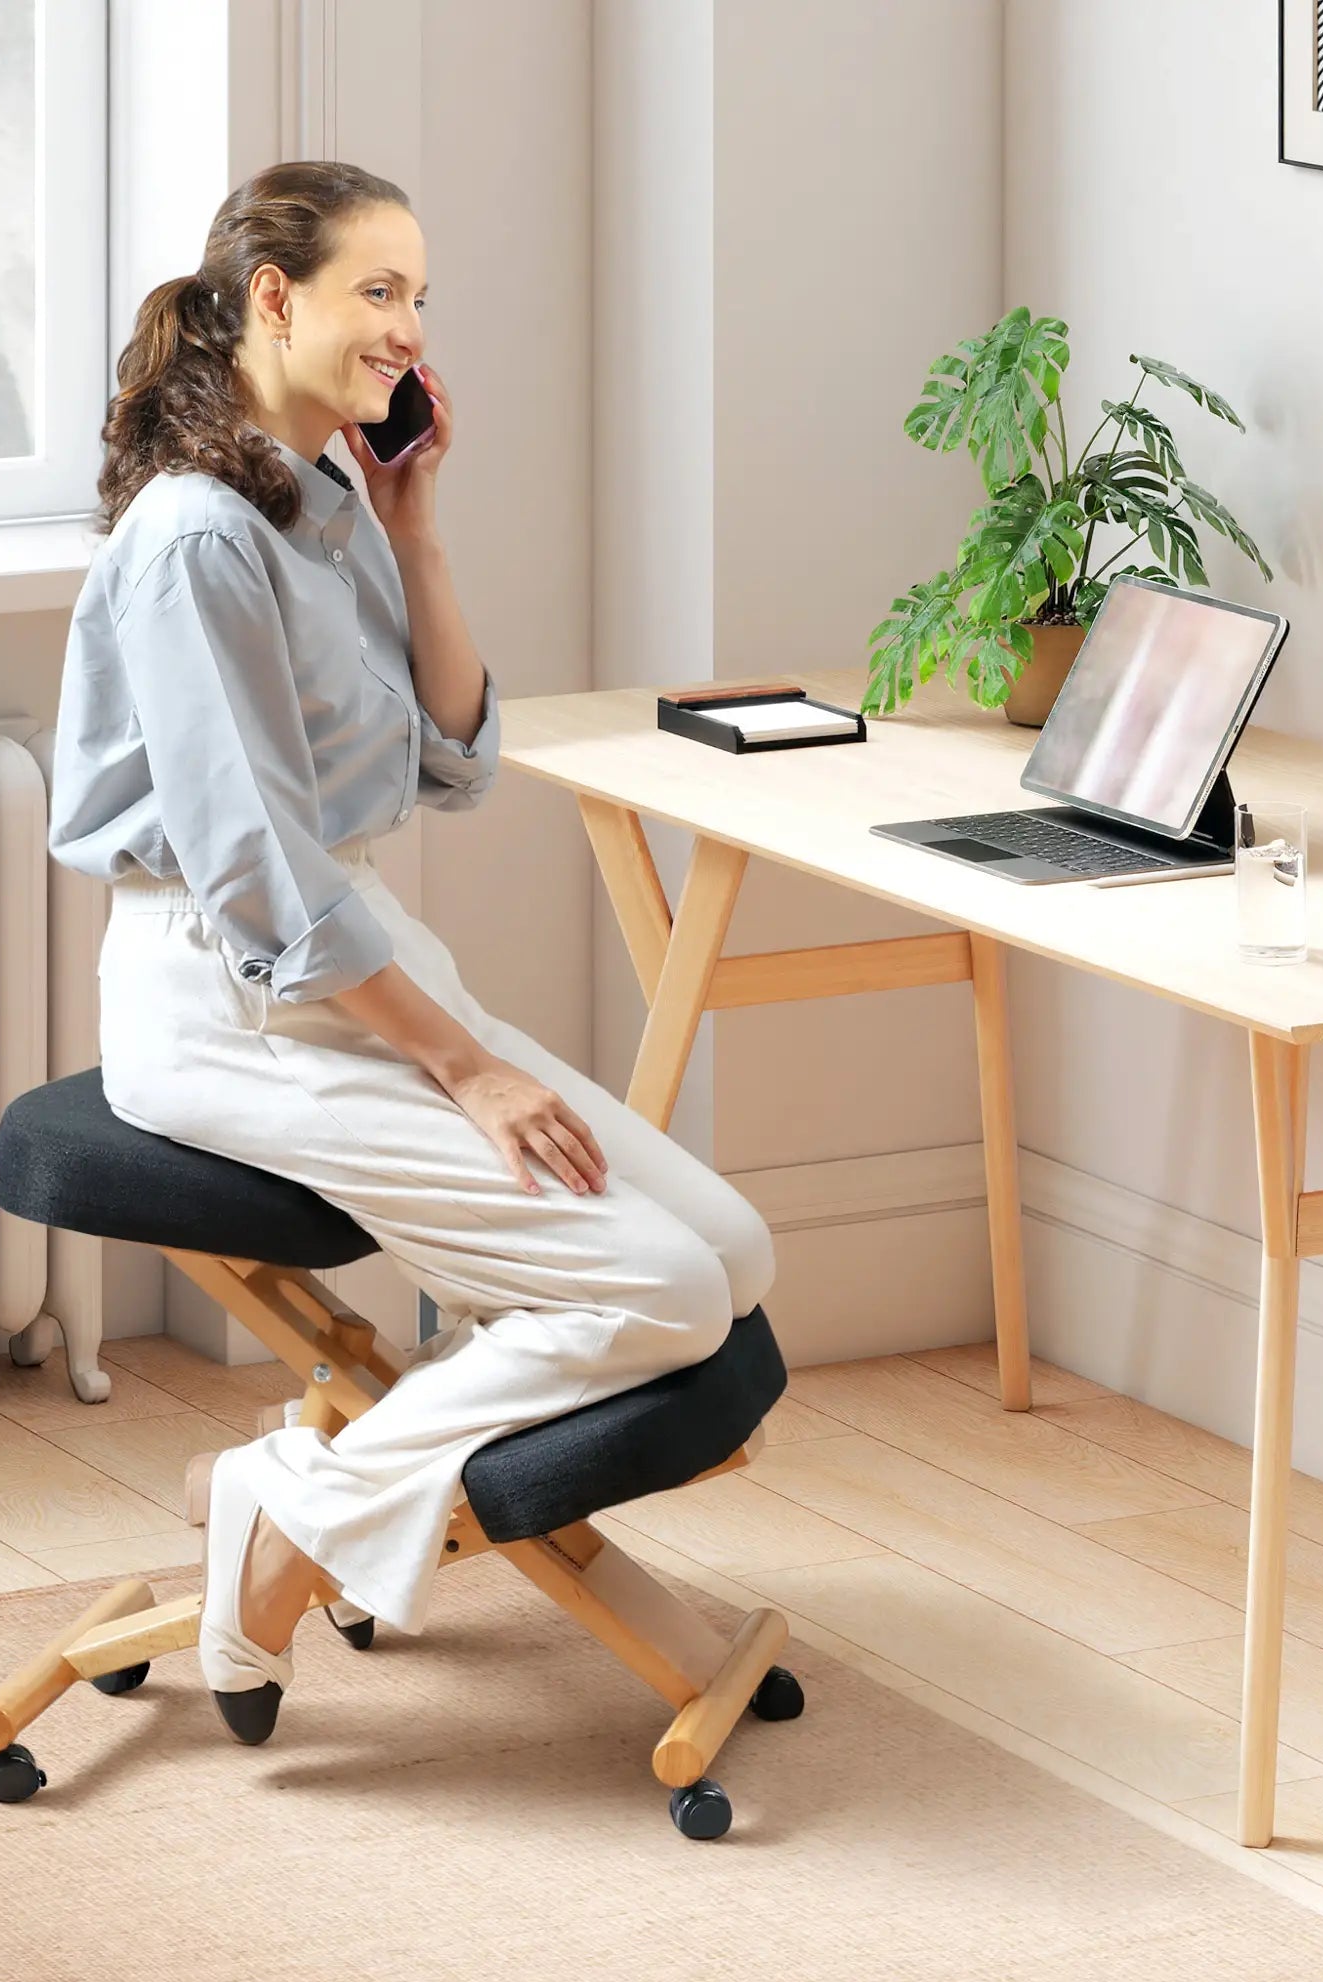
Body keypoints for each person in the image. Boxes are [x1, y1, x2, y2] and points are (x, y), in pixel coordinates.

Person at [47, 161, 776, 1743]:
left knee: (726, 1251)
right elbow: (254, 881)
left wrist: (415, 522)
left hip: (365, 968)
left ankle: (295, 1492)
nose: (410, 327)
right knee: (658, 1290)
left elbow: (451, 760)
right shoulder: (193, 543)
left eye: (421, 296)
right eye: (380, 291)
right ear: (273, 299)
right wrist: (470, 1072)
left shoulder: (325, 501)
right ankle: (295, 1508)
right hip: (235, 1003)